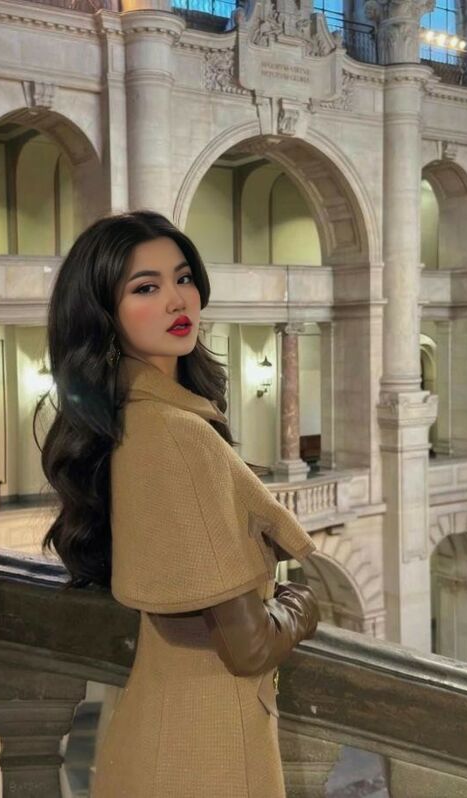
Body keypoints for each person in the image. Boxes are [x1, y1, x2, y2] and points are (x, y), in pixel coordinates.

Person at [35, 210, 320, 797]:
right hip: (209, 753)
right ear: (104, 313)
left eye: (183, 278)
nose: (176, 299)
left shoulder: (134, 418)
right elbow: (251, 647)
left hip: (156, 736)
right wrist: (303, 602)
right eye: (146, 287)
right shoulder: (175, 435)